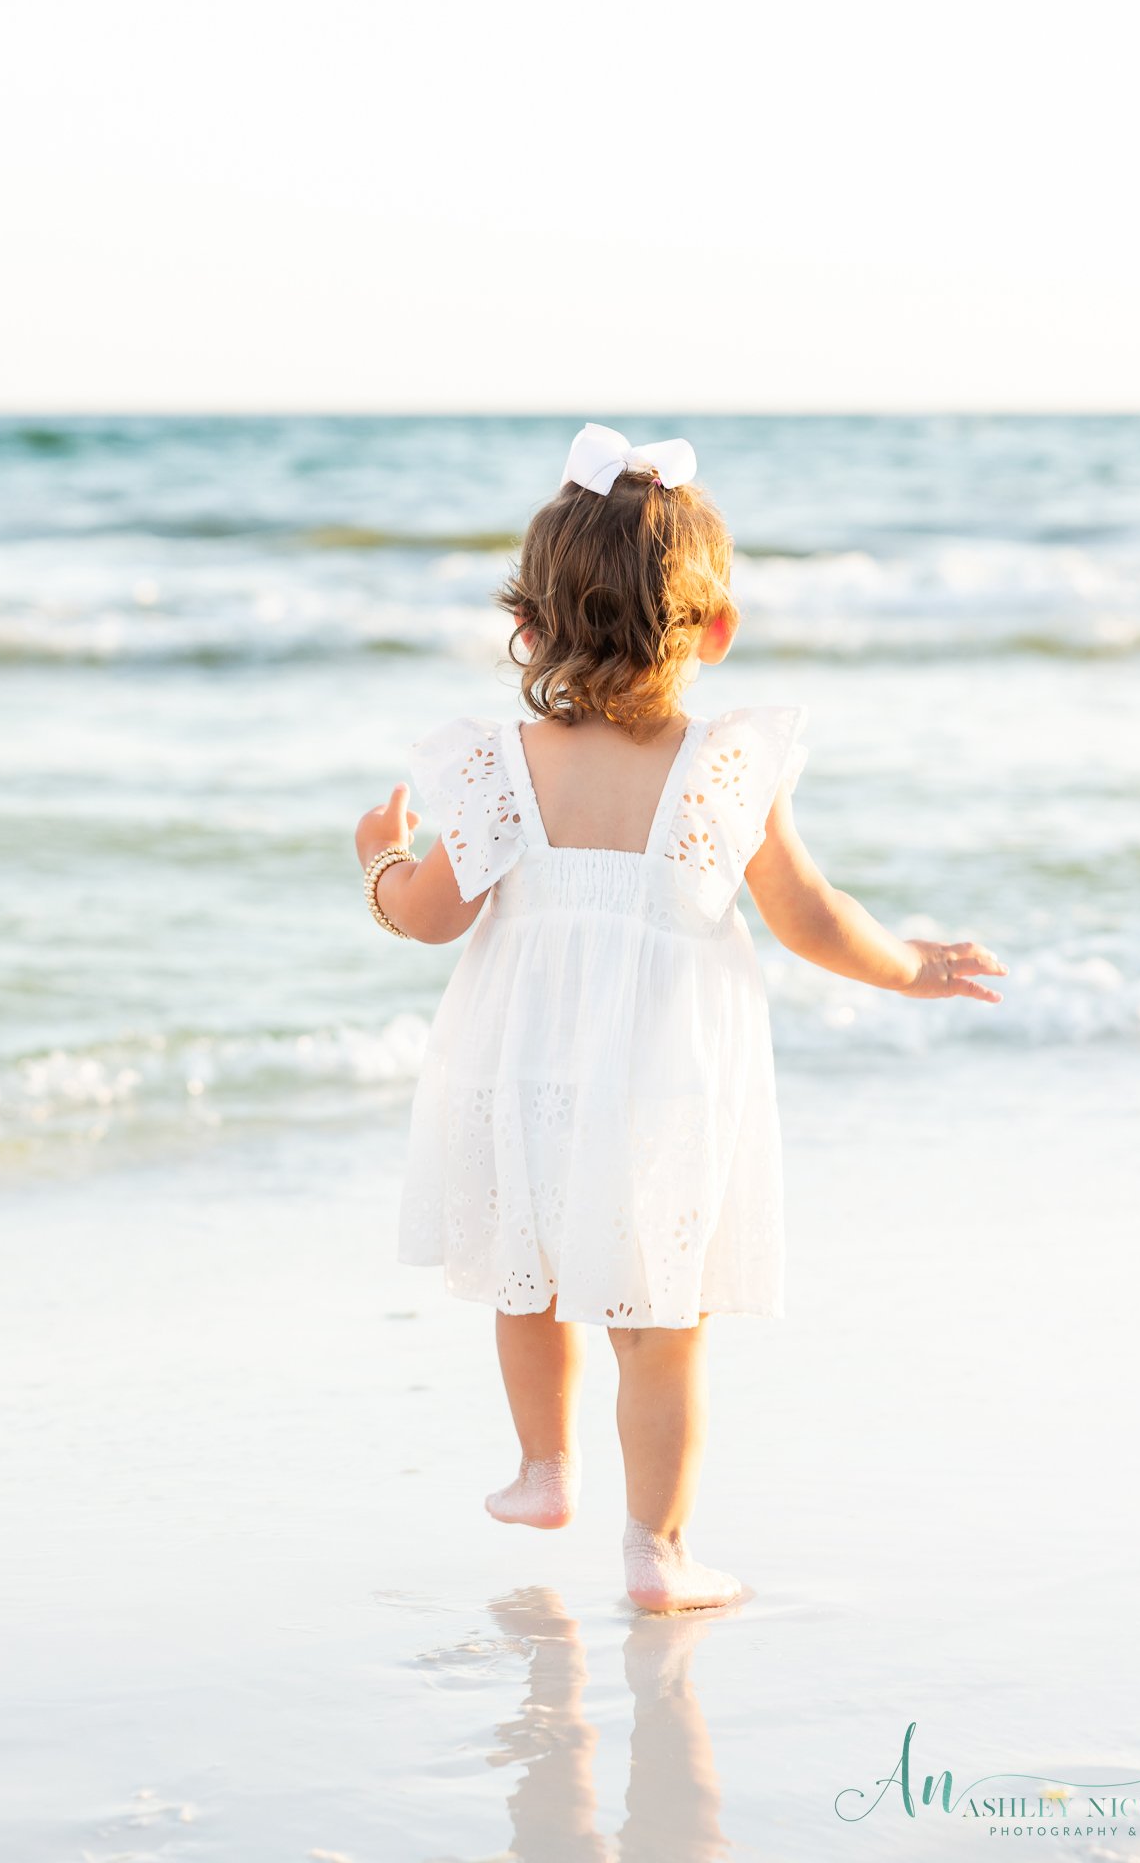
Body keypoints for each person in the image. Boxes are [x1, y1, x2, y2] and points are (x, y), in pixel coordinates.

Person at [353, 423, 1008, 1613]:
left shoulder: (497, 765)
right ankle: (655, 1549)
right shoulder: (726, 766)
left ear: (531, 627)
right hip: (668, 1085)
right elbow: (809, 916)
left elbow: (432, 914)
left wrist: (380, 862)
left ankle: (542, 1468)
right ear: (713, 630)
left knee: (527, 1275)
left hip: (519, 1075)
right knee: (664, 1323)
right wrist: (911, 965)